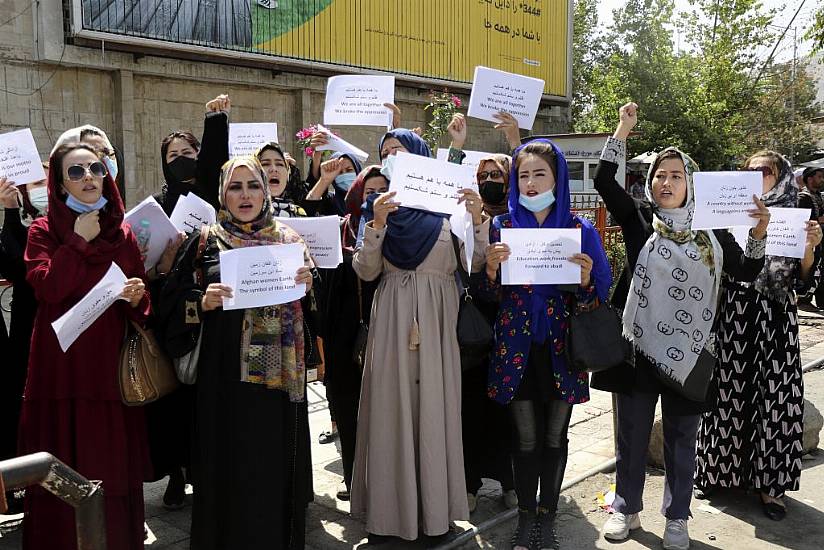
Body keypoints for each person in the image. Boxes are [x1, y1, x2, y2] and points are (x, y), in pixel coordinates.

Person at [592, 103, 768, 550]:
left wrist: (759, 232)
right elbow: (603, 181)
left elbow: (746, 271)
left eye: (675, 175)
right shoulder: (638, 225)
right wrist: (623, 129)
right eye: (658, 175)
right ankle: (625, 510)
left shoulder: (713, 234)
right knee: (631, 436)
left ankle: (676, 518)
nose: (665, 182)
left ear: (690, 183)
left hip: (691, 353)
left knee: (681, 442)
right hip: (637, 349)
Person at [159, 156, 314, 549]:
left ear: (266, 191)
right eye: (235, 186)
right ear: (222, 193)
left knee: (270, 465)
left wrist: (309, 286)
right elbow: (170, 304)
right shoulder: (205, 241)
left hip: (277, 385)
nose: (245, 195)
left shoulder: (290, 241)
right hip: (223, 380)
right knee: (227, 464)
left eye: (253, 186)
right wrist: (201, 302)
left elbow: (316, 312)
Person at [350, 129, 488, 544]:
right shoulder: (379, 209)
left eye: (400, 151)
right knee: (391, 410)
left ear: (422, 158)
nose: (392, 157)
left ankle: (434, 511)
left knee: (434, 410)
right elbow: (365, 270)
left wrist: (478, 217)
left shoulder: (451, 209)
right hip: (391, 321)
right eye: (386, 153)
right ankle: (390, 515)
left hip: (438, 321)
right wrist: (376, 224)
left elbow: (477, 263)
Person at [19, 142, 151, 549]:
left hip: (107, 369)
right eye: (76, 172)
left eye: (95, 168)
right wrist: (77, 241)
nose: (89, 177)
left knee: (108, 462)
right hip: (61, 367)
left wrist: (136, 296)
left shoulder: (122, 231)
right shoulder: (43, 230)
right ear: (60, 184)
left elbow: (142, 301)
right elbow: (48, 287)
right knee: (62, 458)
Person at [482, 139, 612, 550]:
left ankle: (547, 515)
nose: (532, 182)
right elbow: (490, 298)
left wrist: (588, 279)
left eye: (541, 173)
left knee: (555, 438)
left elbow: (599, 297)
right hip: (516, 347)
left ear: (557, 178)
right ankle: (524, 517)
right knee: (525, 439)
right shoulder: (504, 227)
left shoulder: (579, 229)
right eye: (524, 175)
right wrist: (489, 270)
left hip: (563, 349)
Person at [695, 150, 822, 521]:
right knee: (726, 392)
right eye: (750, 171)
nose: (757, 176)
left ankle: (772, 487)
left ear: (780, 175)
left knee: (776, 398)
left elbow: (805, 279)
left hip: (775, 315)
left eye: (765, 170)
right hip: (733, 312)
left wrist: (812, 248)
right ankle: (719, 474)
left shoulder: (796, 208)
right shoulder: (727, 208)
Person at [146, 94, 230, 508]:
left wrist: (215, 121)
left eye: (188, 152)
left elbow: (218, 162)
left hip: (213, 308)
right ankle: (176, 474)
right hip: (172, 313)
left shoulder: (213, 196)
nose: (180, 160)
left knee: (206, 398)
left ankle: (205, 471)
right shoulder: (158, 205)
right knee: (175, 399)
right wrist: (161, 267)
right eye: (172, 155)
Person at [314, 165, 385, 501]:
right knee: (348, 409)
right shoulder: (340, 228)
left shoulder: (401, 230)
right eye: (369, 190)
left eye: (383, 189)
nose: (375, 196)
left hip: (385, 333)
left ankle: (384, 479)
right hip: (344, 335)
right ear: (358, 193)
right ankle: (354, 478)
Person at [0, 167, 48, 516]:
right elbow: (15, 264)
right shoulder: (23, 224)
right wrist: (10, 211)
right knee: (19, 399)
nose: (42, 189)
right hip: (26, 326)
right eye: (35, 183)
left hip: (62, 327)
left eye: (47, 181)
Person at [798, 167, 824, 308]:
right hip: (809, 240)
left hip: (819, 239)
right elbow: (804, 220)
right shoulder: (803, 197)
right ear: (810, 179)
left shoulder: (817, 195)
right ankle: (804, 299)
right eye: (819, 176)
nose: (822, 180)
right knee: (810, 267)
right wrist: (820, 220)